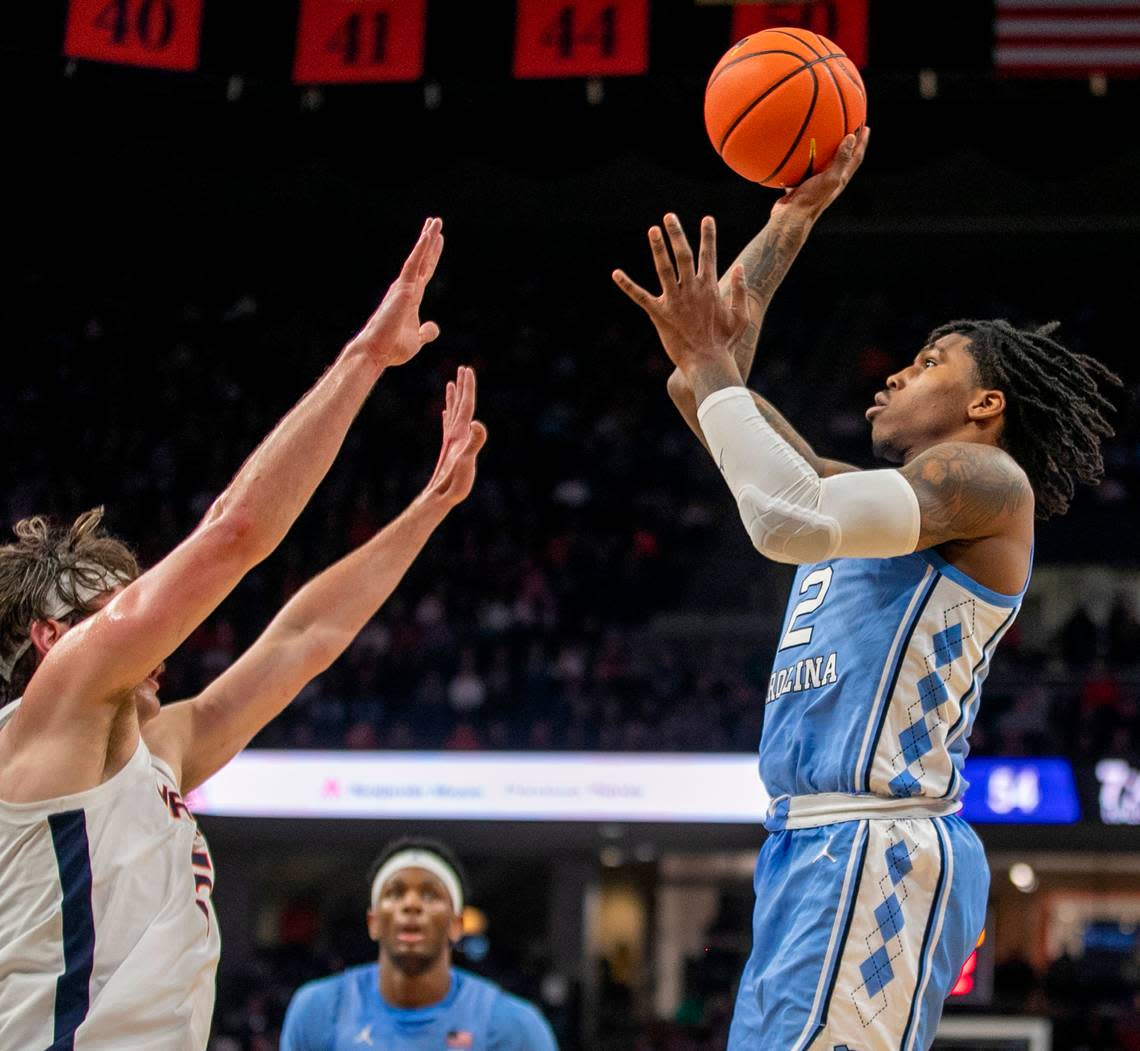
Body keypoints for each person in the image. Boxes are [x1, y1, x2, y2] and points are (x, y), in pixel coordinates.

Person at [613, 128, 1120, 1049]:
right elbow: (716, 402)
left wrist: (715, 365)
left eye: (930, 362)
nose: (894, 370)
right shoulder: (864, 499)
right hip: (806, 845)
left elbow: (782, 514)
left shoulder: (985, 484)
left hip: (876, 840)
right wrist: (788, 224)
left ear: (985, 406)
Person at [0, 219, 489, 1051]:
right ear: (53, 636)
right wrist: (366, 358)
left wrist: (429, 508)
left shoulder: (163, 748)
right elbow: (236, 530)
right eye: (122, 608)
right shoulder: (56, 711)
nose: (157, 625)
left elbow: (304, 636)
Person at [280, 837, 558, 1051]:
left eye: (430, 895)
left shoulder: (512, 1024)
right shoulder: (320, 1008)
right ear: (373, 922)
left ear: (456, 925)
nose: (411, 905)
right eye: (395, 892)